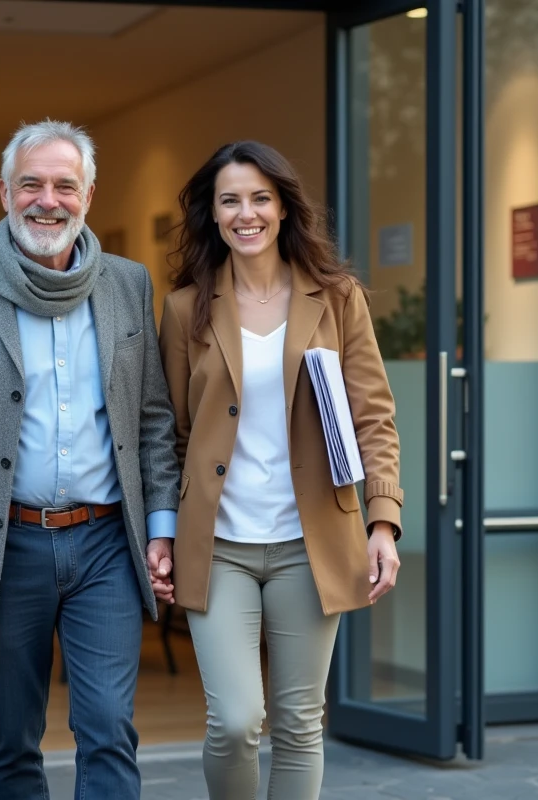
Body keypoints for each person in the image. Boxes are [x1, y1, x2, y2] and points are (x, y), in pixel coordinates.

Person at [0, 119, 182, 800]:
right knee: (12, 735)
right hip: (1, 550)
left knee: (109, 726)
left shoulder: (129, 286)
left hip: (108, 543)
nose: (46, 200)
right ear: (3, 191)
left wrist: (163, 527)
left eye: (63, 185)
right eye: (31, 184)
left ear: (88, 194)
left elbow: (153, 421)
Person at [158, 140, 404, 800]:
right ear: (212, 215)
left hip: (310, 540)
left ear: (284, 208)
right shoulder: (186, 310)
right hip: (221, 547)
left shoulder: (338, 298)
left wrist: (383, 522)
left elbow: (373, 417)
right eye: (230, 200)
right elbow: (172, 434)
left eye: (260, 198)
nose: (247, 213)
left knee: (298, 723)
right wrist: (164, 529)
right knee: (235, 721)